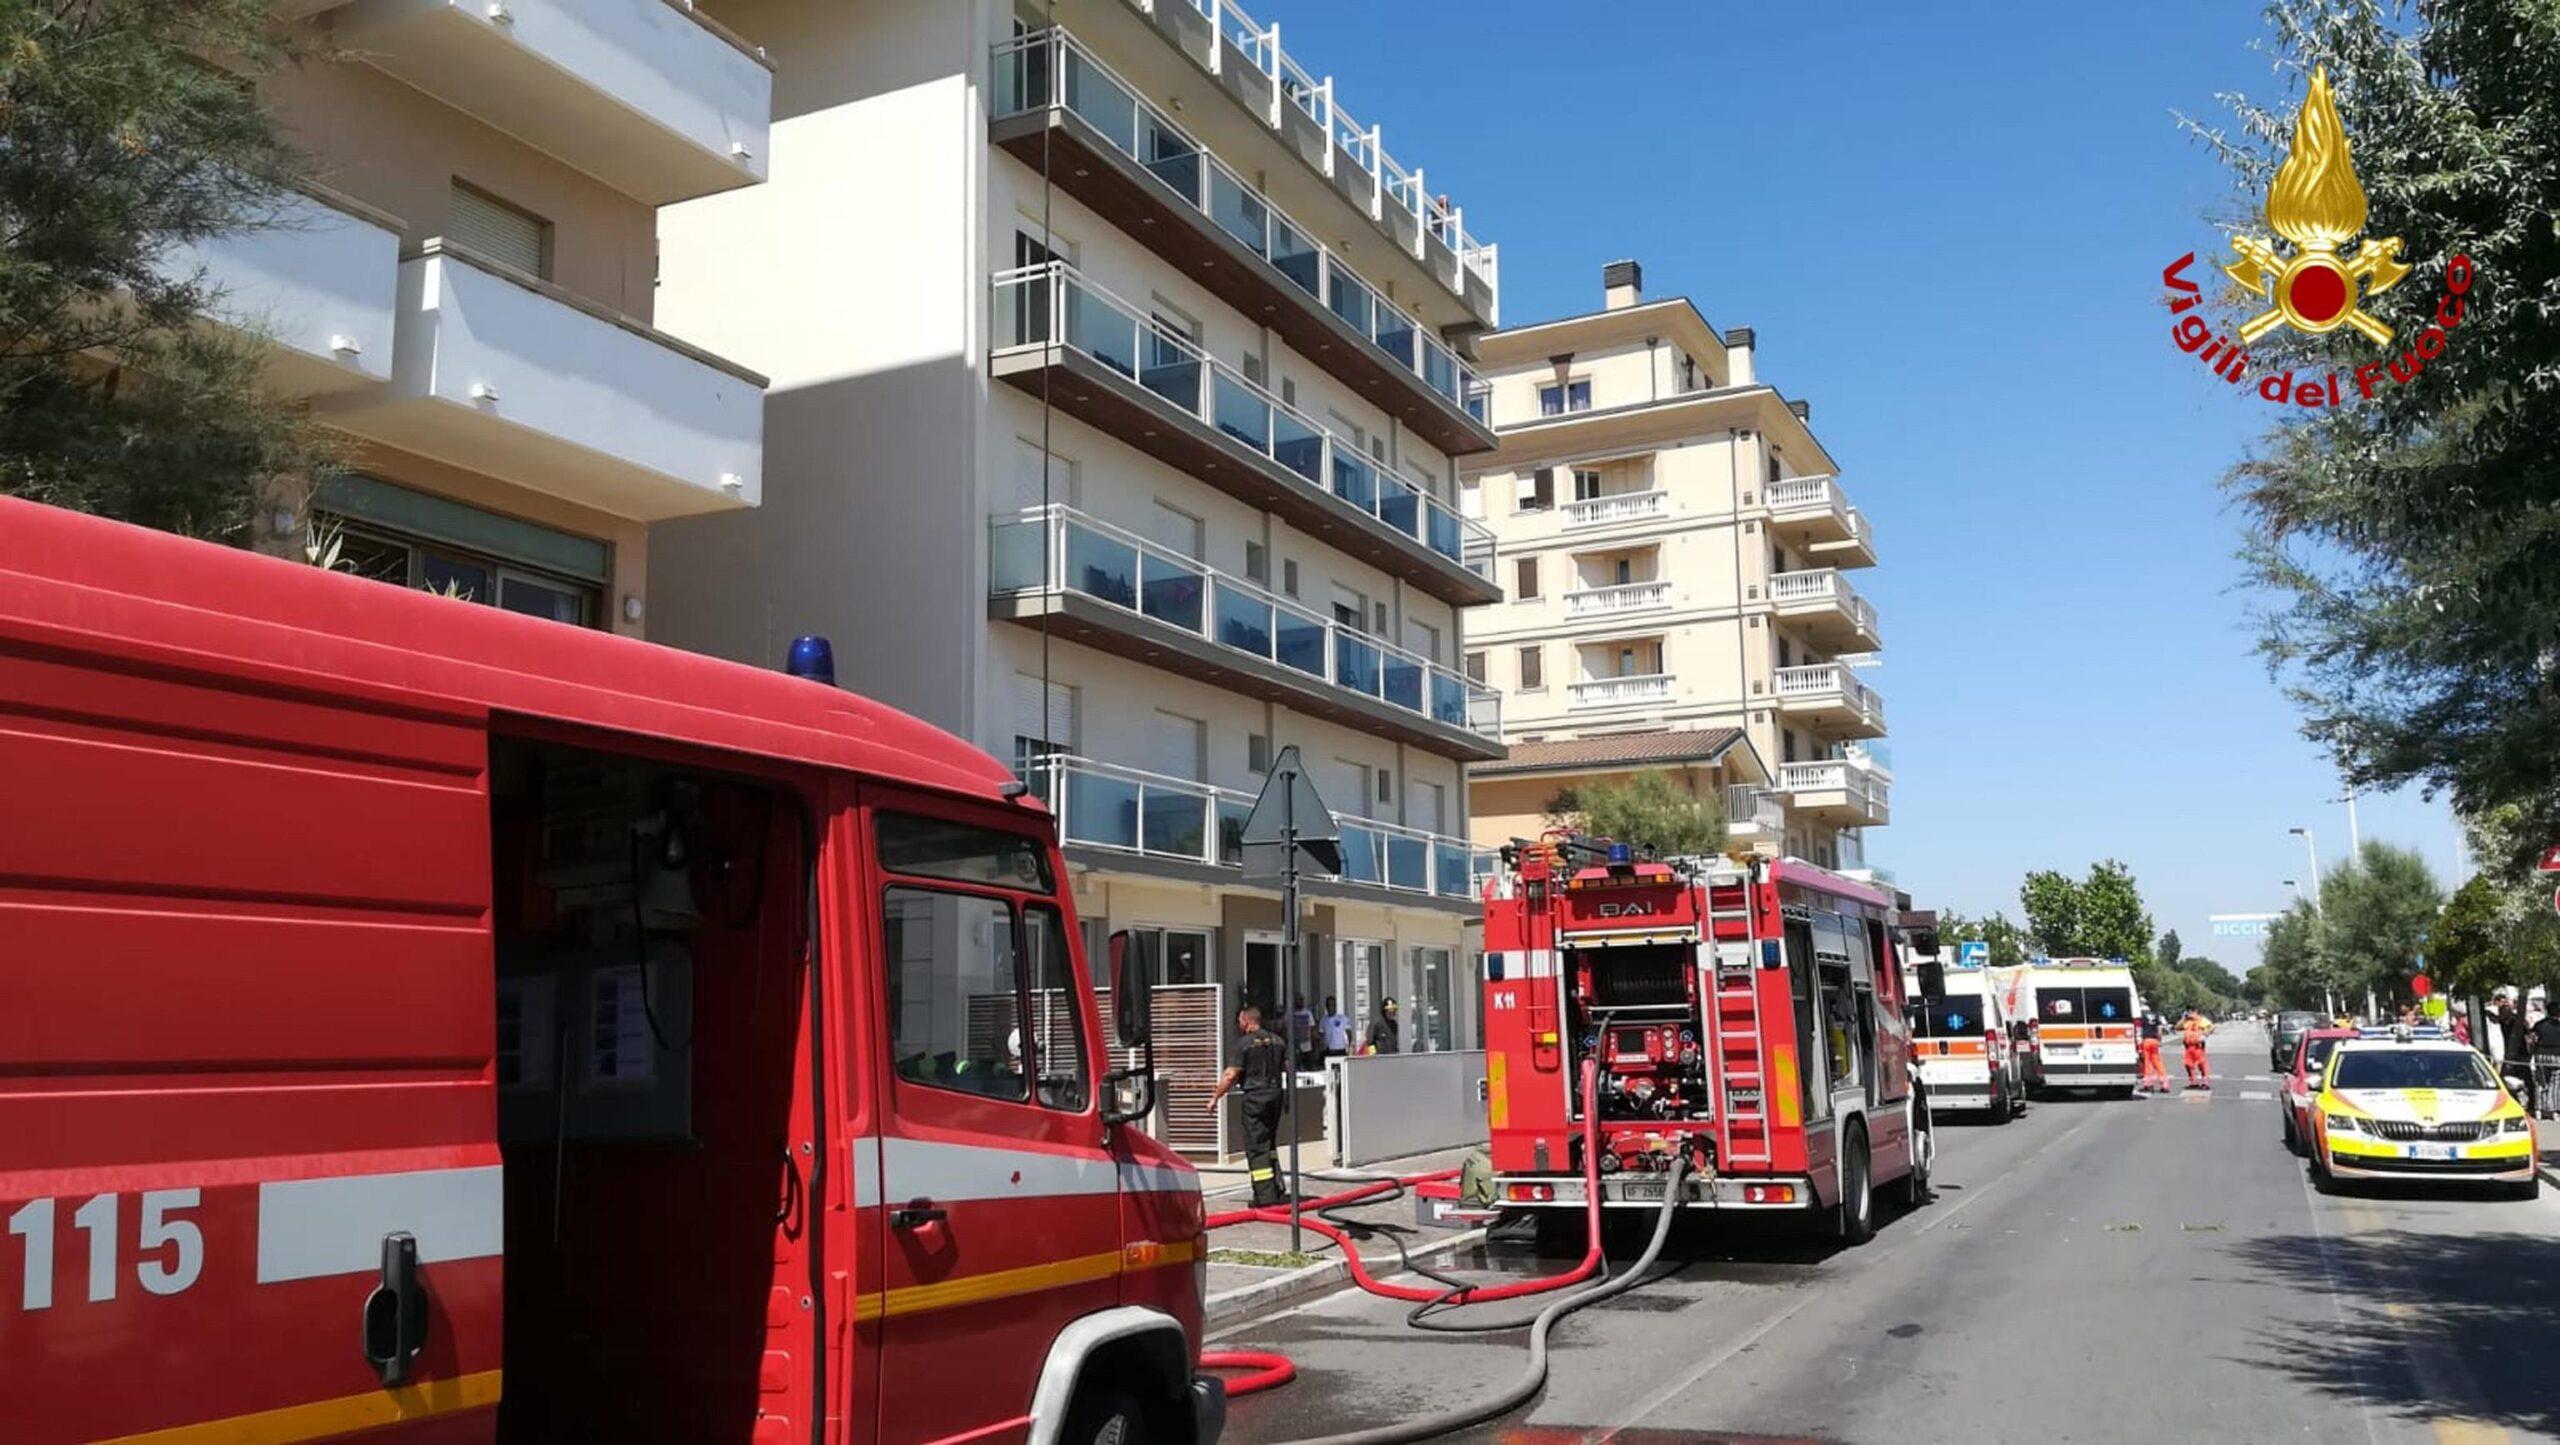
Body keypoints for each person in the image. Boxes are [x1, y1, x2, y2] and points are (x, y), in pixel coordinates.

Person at [1206, 1003, 1291, 1207]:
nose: (1239, 1025)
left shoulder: (1244, 1044)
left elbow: (1230, 1075)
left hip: (1255, 1099)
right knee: (1270, 1144)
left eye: (1239, 1021)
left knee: (1256, 1148)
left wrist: (1215, 1097)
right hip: (1275, 1096)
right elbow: (1288, 1070)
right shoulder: (1278, 1041)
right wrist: (1287, 1098)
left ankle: (1265, 1197)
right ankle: (1277, 1187)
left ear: (1246, 1021)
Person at [2136, 1011, 2171, 1095]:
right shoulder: (2156, 1015)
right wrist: (2159, 1040)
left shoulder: (2141, 1016)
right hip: (2154, 1040)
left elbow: (2139, 1030)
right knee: (2158, 1063)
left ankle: (2148, 1084)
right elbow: (2160, 1029)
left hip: (2146, 1040)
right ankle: (2164, 1084)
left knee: (2147, 1063)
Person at [2178, 1008, 2213, 1090]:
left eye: (2191, 1011)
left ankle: (2205, 1083)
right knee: (2188, 1065)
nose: (2190, 1013)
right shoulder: (2187, 1021)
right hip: (2188, 1047)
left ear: (2196, 1011)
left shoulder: (2201, 1020)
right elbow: (2178, 1027)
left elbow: (2211, 1027)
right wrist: (2183, 1018)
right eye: (2188, 1011)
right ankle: (2193, 1082)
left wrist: (2205, 1034)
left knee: (2202, 1064)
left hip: (2198, 1046)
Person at [1290, 994, 1319, 1071]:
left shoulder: (1308, 1013)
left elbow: (1312, 1027)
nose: (1299, 1002)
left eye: (1301, 1000)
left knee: (1308, 1064)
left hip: (1306, 1044)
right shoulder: (1291, 1013)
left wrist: (1314, 1043)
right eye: (1298, 1000)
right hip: (1295, 1044)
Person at [1320, 995, 1352, 1060]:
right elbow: (1321, 1034)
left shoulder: (1342, 1018)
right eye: (1328, 1005)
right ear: (1326, 1007)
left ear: (1335, 1006)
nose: (1330, 1007)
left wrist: (1349, 1046)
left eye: (1332, 1005)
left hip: (1340, 1049)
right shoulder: (1323, 1020)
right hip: (1328, 1050)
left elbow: (1349, 1033)